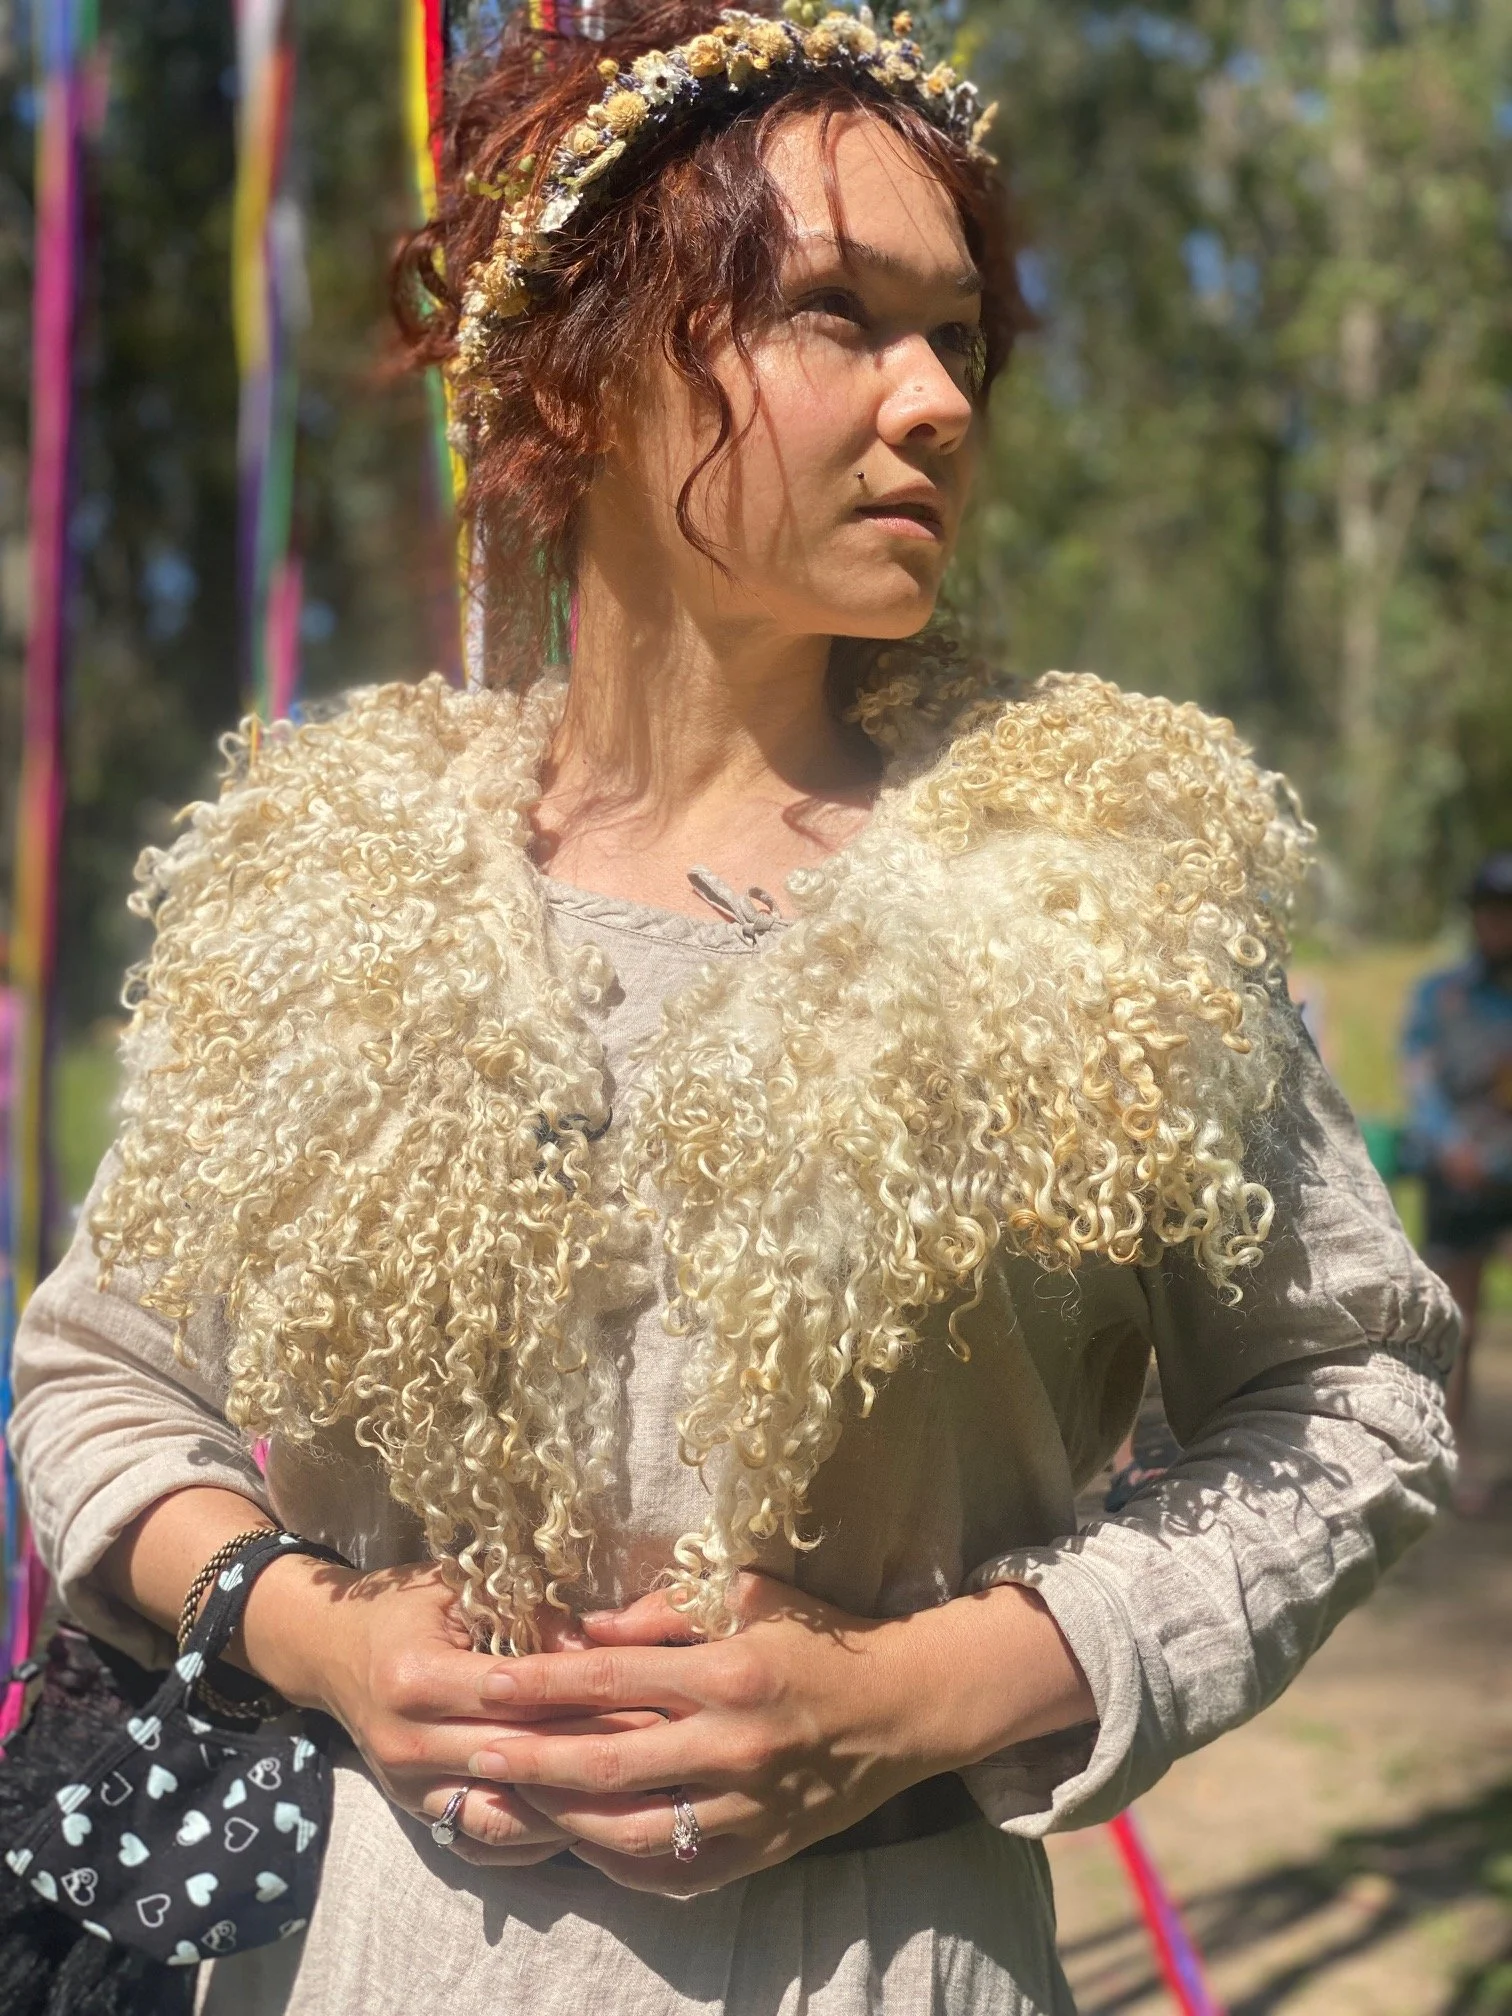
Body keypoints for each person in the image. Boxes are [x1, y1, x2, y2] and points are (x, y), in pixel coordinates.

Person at [11, 4, 1457, 2010]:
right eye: (836, 314)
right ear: (585, 369)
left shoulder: (1096, 887)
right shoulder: (321, 885)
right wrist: (317, 1632)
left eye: (960, 339)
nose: (934, 401)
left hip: (886, 1960)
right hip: (367, 1959)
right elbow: (97, 1377)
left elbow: (1357, 1396)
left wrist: (914, 1692)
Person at [1402, 850, 1512, 1512]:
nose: (1501, 926)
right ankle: (1451, 1461)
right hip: (1460, 1177)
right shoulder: (1440, 996)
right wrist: (1449, 1146)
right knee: (1458, 1325)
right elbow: (1420, 1078)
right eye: (1492, 913)